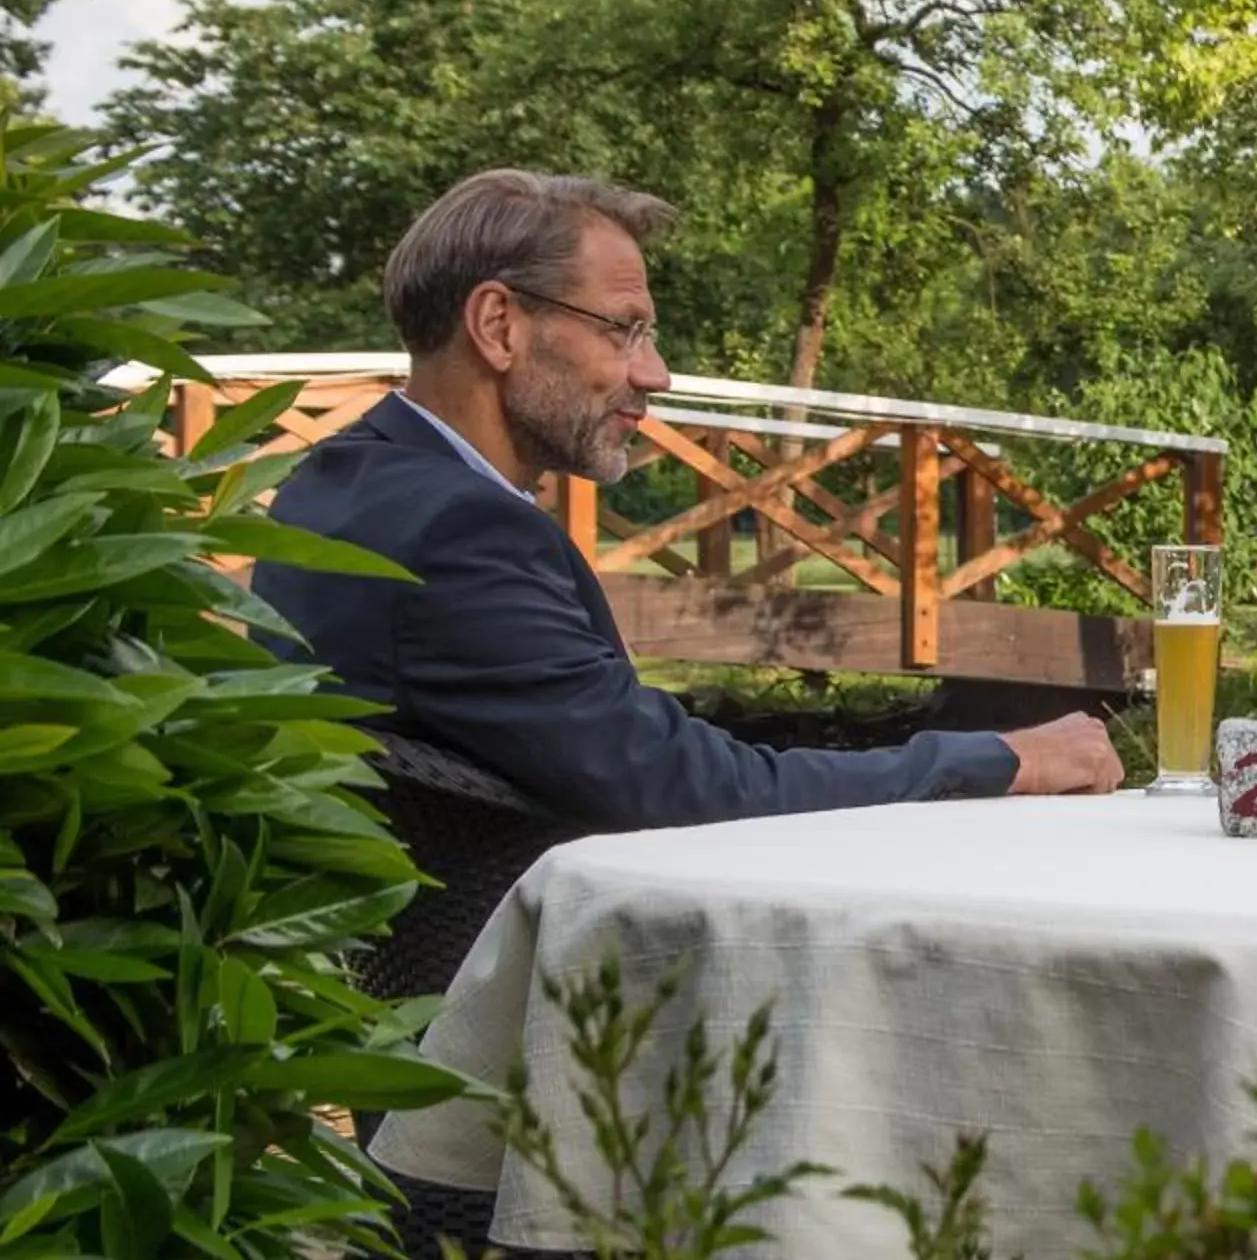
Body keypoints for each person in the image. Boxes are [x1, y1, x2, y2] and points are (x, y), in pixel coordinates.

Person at [252, 169, 1122, 829]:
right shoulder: (460, 532)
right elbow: (688, 790)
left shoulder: (335, 484)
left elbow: (644, 751)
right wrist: (1002, 762)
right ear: (499, 326)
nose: (654, 374)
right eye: (623, 329)